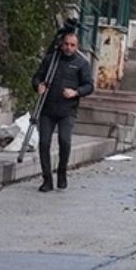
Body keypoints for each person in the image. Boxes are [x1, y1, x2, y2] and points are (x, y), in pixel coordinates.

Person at [31, 31, 94, 192]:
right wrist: (38, 86)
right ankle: (47, 179)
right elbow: (37, 77)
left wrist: (76, 92)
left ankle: (62, 171)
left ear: (77, 46)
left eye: (72, 45)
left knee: (64, 141)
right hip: (48, 108)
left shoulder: (81, 63)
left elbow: (89, 86)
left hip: (68, 110)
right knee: (44, 142)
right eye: (66, 44)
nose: (68, 48)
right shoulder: (51, 60)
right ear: (62, 44)